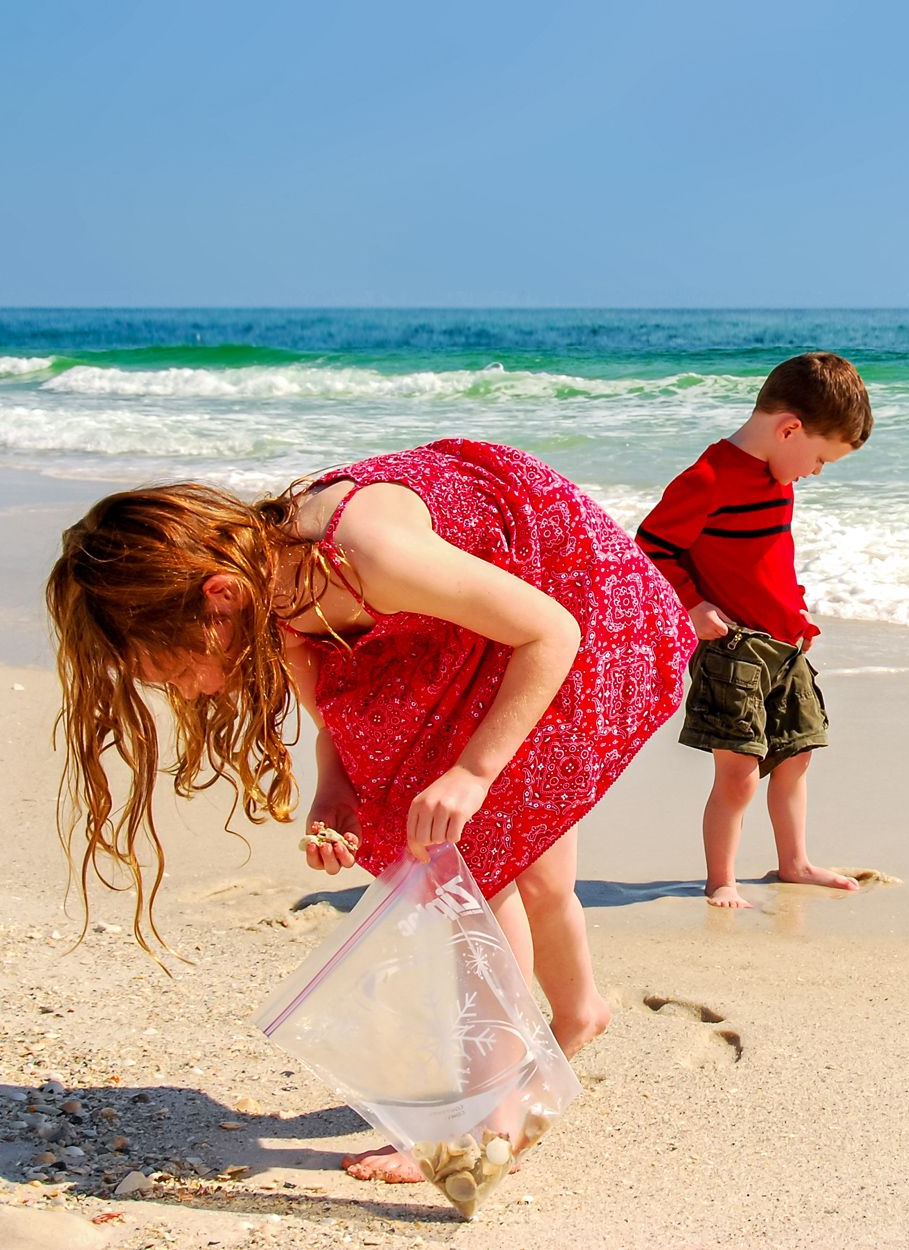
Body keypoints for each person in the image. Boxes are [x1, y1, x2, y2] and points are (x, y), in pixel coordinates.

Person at [47, 437, 693, 1182]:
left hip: (574, 601)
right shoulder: (274, 595)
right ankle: (578, 1014)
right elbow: (341, 715)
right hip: (475, 624)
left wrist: (474, 772)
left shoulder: (367, 553)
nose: (187, 691)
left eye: (175, 666)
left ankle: (488, 1123)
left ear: (218, 595)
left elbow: (551, 632)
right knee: (512, 855)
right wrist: (336, 795)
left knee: (479, 868)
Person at [634, 352, 873, 909]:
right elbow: (651, 550)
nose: (817, 470)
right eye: (819, 457)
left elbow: (769, 561)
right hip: (734, 648)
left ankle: (795, 862)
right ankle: (721, 878)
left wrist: (797, 613)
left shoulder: (777, 476)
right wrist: (691, 606)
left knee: (796, 754)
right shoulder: (709, 478)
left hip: (784, 645)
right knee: (739, 771)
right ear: (789, 429)